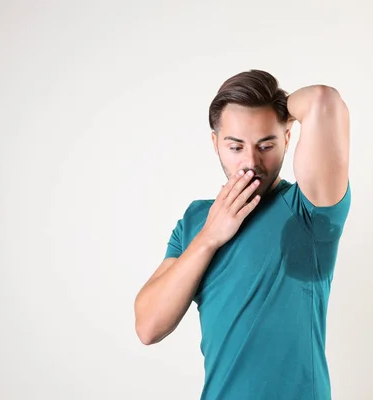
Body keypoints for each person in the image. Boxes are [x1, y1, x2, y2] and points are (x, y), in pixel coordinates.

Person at [134, 69, 351, 399]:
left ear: (288, 138)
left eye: (266, 144)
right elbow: (148, 326)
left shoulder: (309, 210)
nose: (251, 162)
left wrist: (279, 108)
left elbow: (323, 100)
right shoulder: (196, 220)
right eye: (236, 146)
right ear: (215, 143)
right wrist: (210, 237)